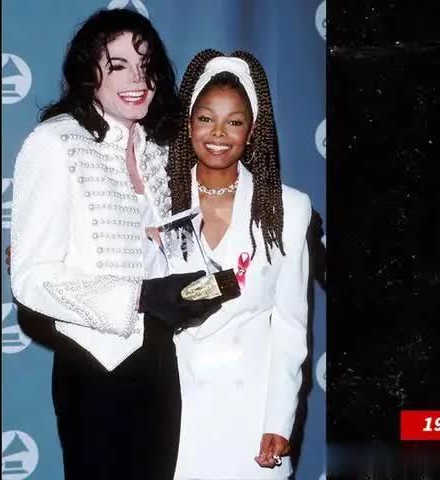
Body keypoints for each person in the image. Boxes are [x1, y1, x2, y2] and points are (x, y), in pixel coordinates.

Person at [9, 10, 222, 480]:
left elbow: (162, 248)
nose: (137, 79)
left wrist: (200, 285)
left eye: (145, 65)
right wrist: (141, 296)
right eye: (118, 64)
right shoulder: (55, 143)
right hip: (94, 364)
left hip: (161, 359)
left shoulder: (158, 149)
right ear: (89, 71)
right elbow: (30, 278)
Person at [166, 50, 312, 480]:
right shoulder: (156, 198)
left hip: (249, 414)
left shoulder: (288, 209)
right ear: (188, 124)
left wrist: (278, 421)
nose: (218, 133)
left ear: (252, 132)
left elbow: (290, 326)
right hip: (173, 406)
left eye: (234, 122)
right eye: (205, 118)